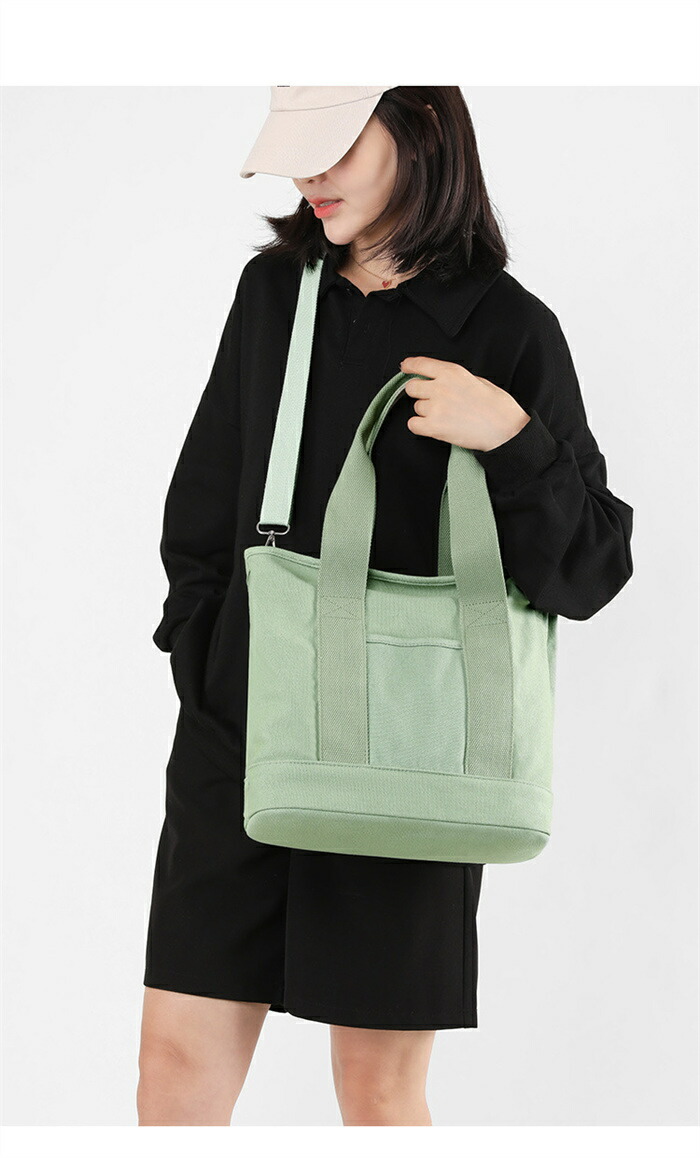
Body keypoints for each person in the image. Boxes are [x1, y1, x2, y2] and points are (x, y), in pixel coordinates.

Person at [137, 86, 634, 1127]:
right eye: (297, 151)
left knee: (377, 1090)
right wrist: (209, 665)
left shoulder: (509, 329)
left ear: (420, 131)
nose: (307, 175)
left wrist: (511, 439)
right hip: (244, 734)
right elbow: (203, 508)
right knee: (175, 1072)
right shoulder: (274, 294)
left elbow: (591, 569)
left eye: (334, 146)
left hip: (414, 752)